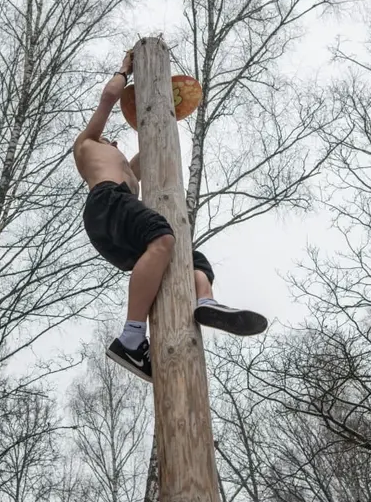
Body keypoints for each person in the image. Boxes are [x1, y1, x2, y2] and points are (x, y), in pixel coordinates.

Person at [73, 50, 267, 382]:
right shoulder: (88, 144)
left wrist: (166, 114)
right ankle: (131, 338)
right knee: (162, 235)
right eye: (110, 139)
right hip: (106, 204)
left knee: (190, 258)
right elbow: (107, 100)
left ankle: (206, 302)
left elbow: (151, 151)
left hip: (119, 224)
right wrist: (124, 70)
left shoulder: (123, 167)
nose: (114, 140)